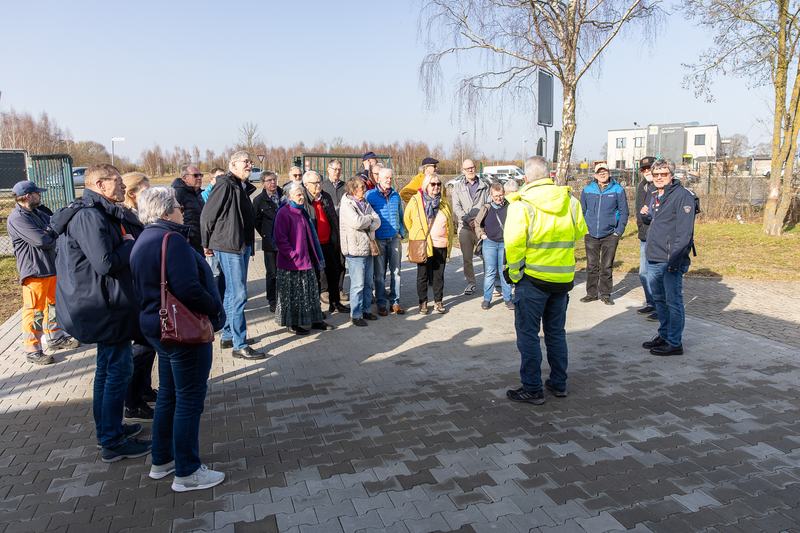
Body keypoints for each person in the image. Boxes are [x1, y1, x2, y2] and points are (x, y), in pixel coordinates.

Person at [51, 163, 151, 461]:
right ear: (100, 184)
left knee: (108, 370)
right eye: (117, 182)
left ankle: (110, 429)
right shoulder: (89, 216)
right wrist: (130, 245)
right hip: (102, 307)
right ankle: (111, 440)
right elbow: (105, 262)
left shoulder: (98, 211)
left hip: (106, 304)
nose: (122, 186)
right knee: (116, 372)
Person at [129, 187, 226, 492]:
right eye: (178, 207)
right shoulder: (172, 241)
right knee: (189, 400)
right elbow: (189, 289)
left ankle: (163, 459)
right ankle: (187, 471)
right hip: (181, 331)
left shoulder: (144, 239)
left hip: (156, 328)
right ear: (166, 210)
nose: (182, 211)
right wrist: (213, 309)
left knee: (170, 395)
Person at [504, 156, 588, 405]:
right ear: (549, 174)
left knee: (528, 335)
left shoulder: (521, 205)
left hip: (533, 280)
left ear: (527, 178)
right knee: (555, 333)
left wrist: (515, 274)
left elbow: (514, 245)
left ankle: (532, 387)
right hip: (562, 279)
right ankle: (559, 383)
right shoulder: (570, 201)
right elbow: (579, 231)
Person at [200, 151, 265, 360]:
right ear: (233, 164)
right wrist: (205, 243)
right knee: (238, 294)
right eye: (245, 162)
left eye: (250, 162)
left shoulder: (240, 184)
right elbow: (207, 216)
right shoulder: (225, 184)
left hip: (242, 245)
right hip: (229, 245)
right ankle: (240, 344)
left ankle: (228, 335)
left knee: (230, 293)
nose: (249, 165)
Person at [7, 180, 79, 365]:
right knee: (35, 312)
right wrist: (53, 229)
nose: (40, 195)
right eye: (37, 193)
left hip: (50, 268)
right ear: (28, 196)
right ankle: (32, 349)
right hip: (34, 272)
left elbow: (54, 225)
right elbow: (42, 240)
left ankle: (55, 337)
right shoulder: (17, 218)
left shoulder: (37, 212)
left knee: (53, 306)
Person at [641, 159, 698, 356]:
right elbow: (656, 220)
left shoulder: (683, 196)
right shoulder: (656, 194)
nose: (658, 177)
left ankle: (675, 342)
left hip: (670, 259)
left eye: (663, 174)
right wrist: (645, 216)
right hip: (654, 256)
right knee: (659, 300)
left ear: (671, 176)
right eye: (655, 174)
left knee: (673, 301)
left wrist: (675, 260)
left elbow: (684, 234)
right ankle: (664, 334)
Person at [119, 172, 157, 423]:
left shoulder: (136, 215)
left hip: (142, 285)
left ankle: (143, 388)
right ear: (132, 194)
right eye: (145, 189)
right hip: (134, 288)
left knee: (149, 345)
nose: (150, 193)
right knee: (141, 347)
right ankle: (133, 402)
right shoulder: (124, 217)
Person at [273, 181, 335, 334]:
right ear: (289, 197)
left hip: (307, 260)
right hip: (291, 263)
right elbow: (280, 240)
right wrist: (293, 255)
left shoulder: (303, 211)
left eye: (302, 194)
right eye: (298, 194)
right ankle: (292, 324)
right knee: (292, 295)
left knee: (311, 293)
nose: (302, 197)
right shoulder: (284, 213)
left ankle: (315, 320)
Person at [404, 173, 454, 315]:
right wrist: (417, 233)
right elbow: (407, 219)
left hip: (441, 244)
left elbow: (450, 223)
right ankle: (423, 302)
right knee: (423, 275)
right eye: (433, 184)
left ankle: (438, 301)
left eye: (439, 184)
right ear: (426, 186)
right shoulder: (416, 201)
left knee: (439, 276)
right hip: (424, 244)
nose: (436, 187)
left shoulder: (444, 202)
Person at [579, 162, 629, 305]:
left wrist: (618, 232)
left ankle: (605, 294)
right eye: (599, 172)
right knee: (591, 266)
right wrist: (584, 229)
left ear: (609, 173)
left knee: (606, 266)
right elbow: (581, 211)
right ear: (595, 174)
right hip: (591, 234)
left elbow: (624, 212)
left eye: (605, 171)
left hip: (610, 234)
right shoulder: (588, 189)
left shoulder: (618, 190)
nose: (602, 174)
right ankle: (591, 293)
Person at [302, 171, 348, 314]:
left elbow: (333, 219)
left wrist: (337, 239)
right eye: (315, 183)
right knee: (315, 277)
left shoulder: (325, 197)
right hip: (314, 246)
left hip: (329, 242)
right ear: (306, 185)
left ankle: (335, 303)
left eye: (319, 182)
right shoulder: (304, 200)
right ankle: (315, 309)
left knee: (333, 274)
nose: (318, 185)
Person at [339, 178, 381, 326]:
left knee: (368, 282)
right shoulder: (347, 204)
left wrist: (368, 220)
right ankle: (355, 314)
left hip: (368, 248)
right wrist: (369, 219)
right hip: (355, 249)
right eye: (361, 188)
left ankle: (366, 310)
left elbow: (378, 221)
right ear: (353, 190)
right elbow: (356, 222)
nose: (364, 190)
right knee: (358, 284)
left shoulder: (365, 203)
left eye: (363, 187)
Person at [366, 167, 406, 315]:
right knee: (380, 273)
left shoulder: (396, 195)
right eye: (386, 178)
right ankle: (381, 303)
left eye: (390, 178)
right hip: (379, 239)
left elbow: (401, 215)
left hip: (394, 238)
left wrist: (401, 232)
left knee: (396, 272)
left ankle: (395, 302)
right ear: (378, 179)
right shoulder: (370, 195)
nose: (389, 180)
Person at [451, 159, 490, 295]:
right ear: (463, 171)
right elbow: (456, 207)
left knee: (486, 256)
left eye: (472, 167)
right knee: (467, 258)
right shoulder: (457, 187)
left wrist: (478, 221)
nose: (471, 170)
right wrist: (468, 219)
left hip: (482, 228)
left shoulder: (485, 186)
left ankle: (488, 283)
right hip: (465, 228)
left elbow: (488, 204)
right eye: (467, 168)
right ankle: (471, 283)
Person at [474, 182, 513, 310]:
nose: (498, 198)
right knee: (490, 272)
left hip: (504, 244)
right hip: (489, 243)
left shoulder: (510, 207)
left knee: (503, 271)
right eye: (495, 196)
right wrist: (481, 234)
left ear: (504, 194)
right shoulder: (486, 208)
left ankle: (508, 299)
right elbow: (477, 222)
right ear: (491, 195)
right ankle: (486, 299)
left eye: (500, 195)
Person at [253, 171, 283, 312]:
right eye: (269, 180)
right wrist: (266, 234)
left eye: (274, 180)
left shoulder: (284, 196)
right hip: (270, 243)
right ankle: (272, 300)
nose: (273, 183)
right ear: (263, 183)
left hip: (286, 241)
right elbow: (256, 221)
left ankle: (284, 297)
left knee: (285, 271)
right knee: (272, 273)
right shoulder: (259, 200)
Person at [635, 156, 658, 320]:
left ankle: (660, 306)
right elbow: (638, 209)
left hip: (657, 236)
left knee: (655, 273)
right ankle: (651, 302)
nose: (646, 171)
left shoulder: (659, 186)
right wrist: (640, 227)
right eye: (643, 169)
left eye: (649, 168)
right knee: (643, 272)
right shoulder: (642, 186)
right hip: (644, 234)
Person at [171, 165, 205, 255]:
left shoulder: (197, 193)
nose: (199, 178)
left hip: (199, 241)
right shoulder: (178, 192)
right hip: (188, 242)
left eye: (201, 175)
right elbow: (172, 219)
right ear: (185, 178)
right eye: (195, 175)